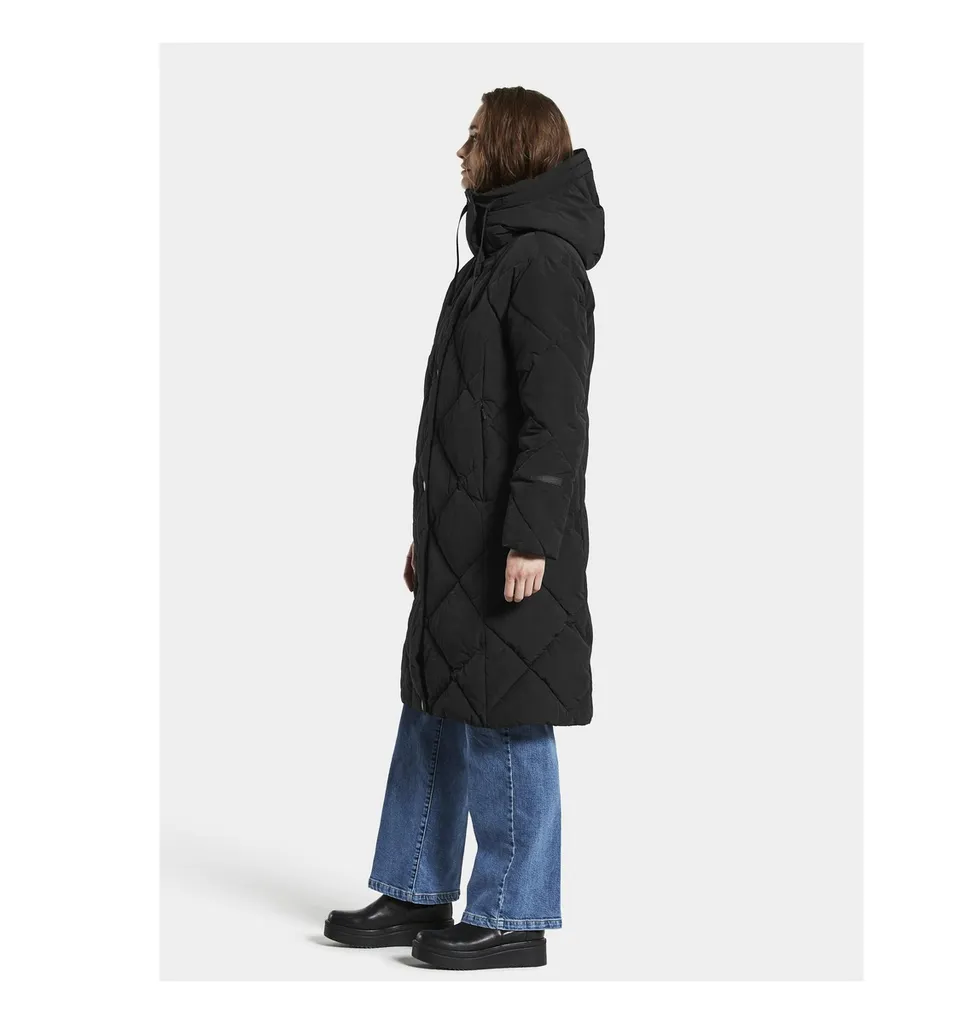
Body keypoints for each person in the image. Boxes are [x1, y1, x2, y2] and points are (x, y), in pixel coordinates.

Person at [324, 86, 604, 970]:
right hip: (462, 539)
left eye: (476, 136)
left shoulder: (543, 265)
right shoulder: (488, 265)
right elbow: (463, 424)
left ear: (512, 147)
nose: (462, 149)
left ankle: (514, 914)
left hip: (514, 546)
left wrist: (532, 536)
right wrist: (430, 533)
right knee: (435, 706)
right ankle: (416, 886)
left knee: (508, 714)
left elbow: (555, 420)